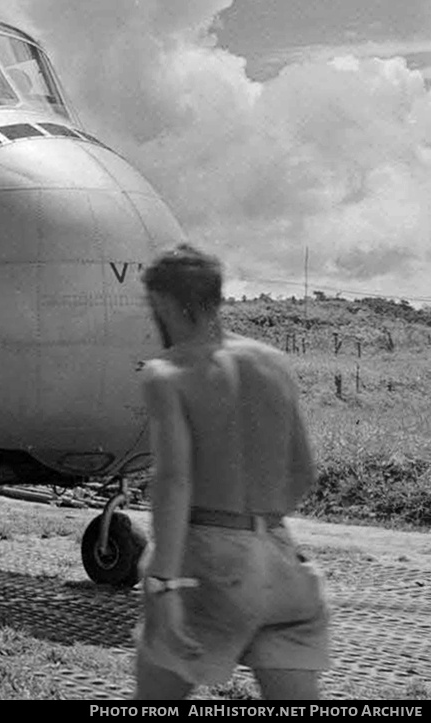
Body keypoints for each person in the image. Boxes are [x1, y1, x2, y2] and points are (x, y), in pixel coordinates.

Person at [134, 243, 329, 700]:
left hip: (209, 564)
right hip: (283, 563)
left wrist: (163, 583)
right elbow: (303, 473)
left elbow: (174, 480)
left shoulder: (166, 373)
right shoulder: (274, 363)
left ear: (161, 302)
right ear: (216, 296)